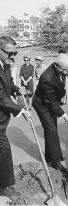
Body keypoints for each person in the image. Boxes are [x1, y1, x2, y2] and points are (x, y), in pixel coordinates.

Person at [0, 36, 30, 197]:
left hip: (2, 117)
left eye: (15, 54)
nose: (12, 57)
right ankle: (5, 186)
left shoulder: (5, 65)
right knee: (4, 149)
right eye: (9, 53)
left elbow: (8, 84)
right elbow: (0, 97)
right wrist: (21, 110)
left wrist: (17, 89)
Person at [32, 53, 68, 177]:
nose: (66, 72)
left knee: (51, 130)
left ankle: (50, 158)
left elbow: (61, 81)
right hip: (42, 104)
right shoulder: (47, 78)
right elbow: (51, 102)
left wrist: (66, 85)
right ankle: (56, 162)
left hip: (51, 101)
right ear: (58, 67)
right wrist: (63, 114)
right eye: (64, 70)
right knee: (52, 130)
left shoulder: (60, 69)